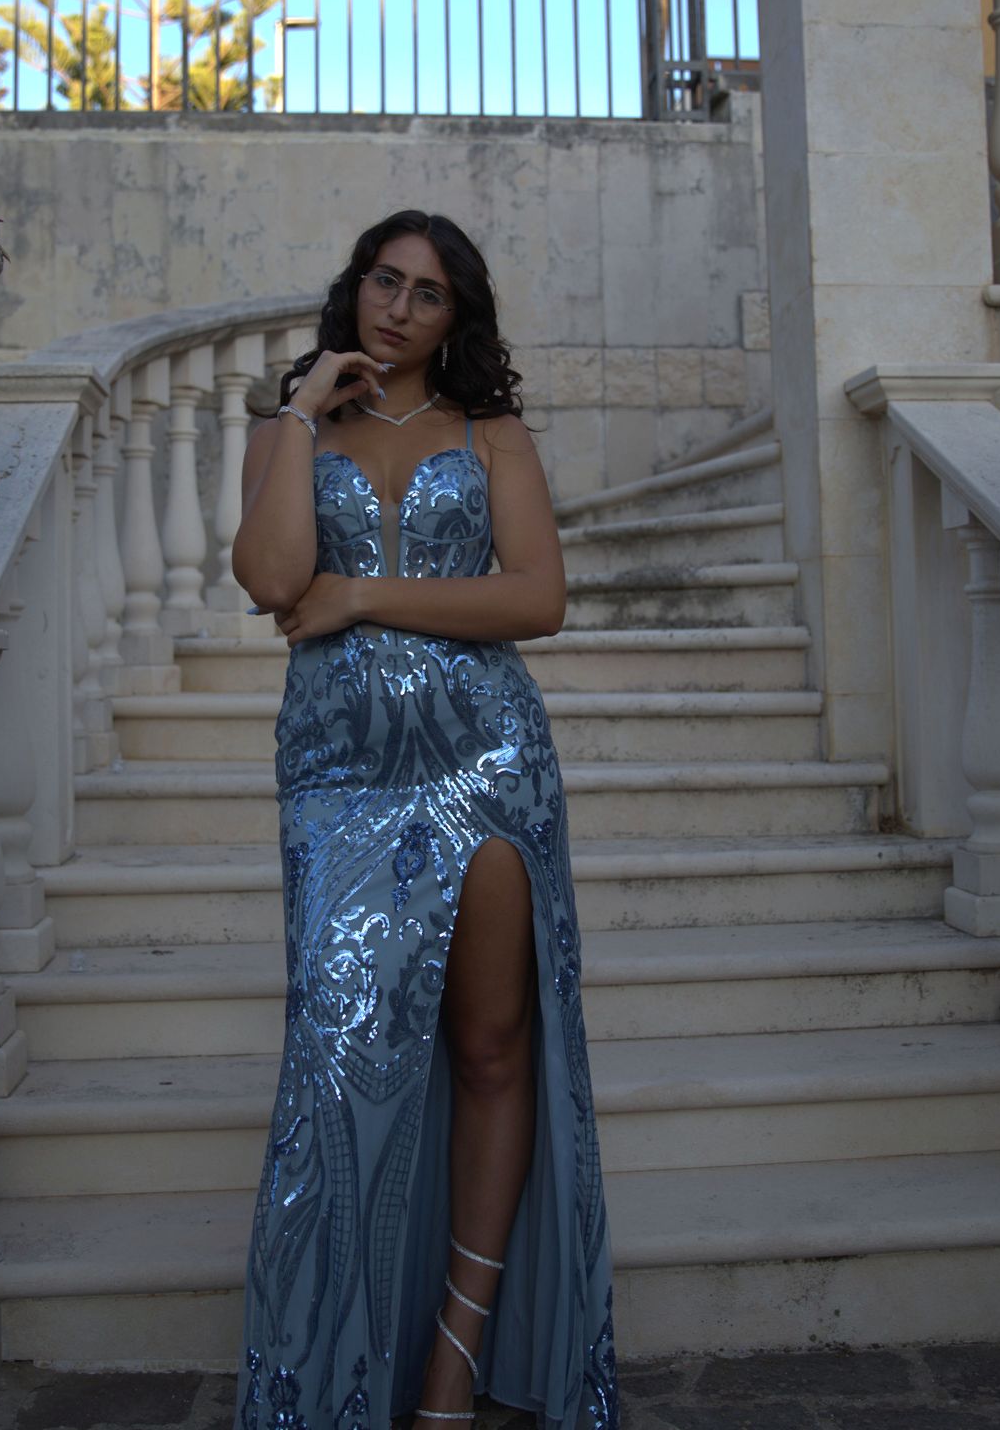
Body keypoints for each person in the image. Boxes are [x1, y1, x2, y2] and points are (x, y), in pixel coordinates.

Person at [229, 211, 618, 1429]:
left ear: (458, 319)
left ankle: (455, 1359)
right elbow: (271, 581)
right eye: (383, 282)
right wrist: (303, 412)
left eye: (428, 294)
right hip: (337, 771)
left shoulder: (491, 433)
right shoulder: (284, 435)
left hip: (485, 756)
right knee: (339, 1058)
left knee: (492, 1048)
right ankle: (328, 1366)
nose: (397, 309)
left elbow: (537, 598)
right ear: (355, 288)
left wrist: (361, 595)